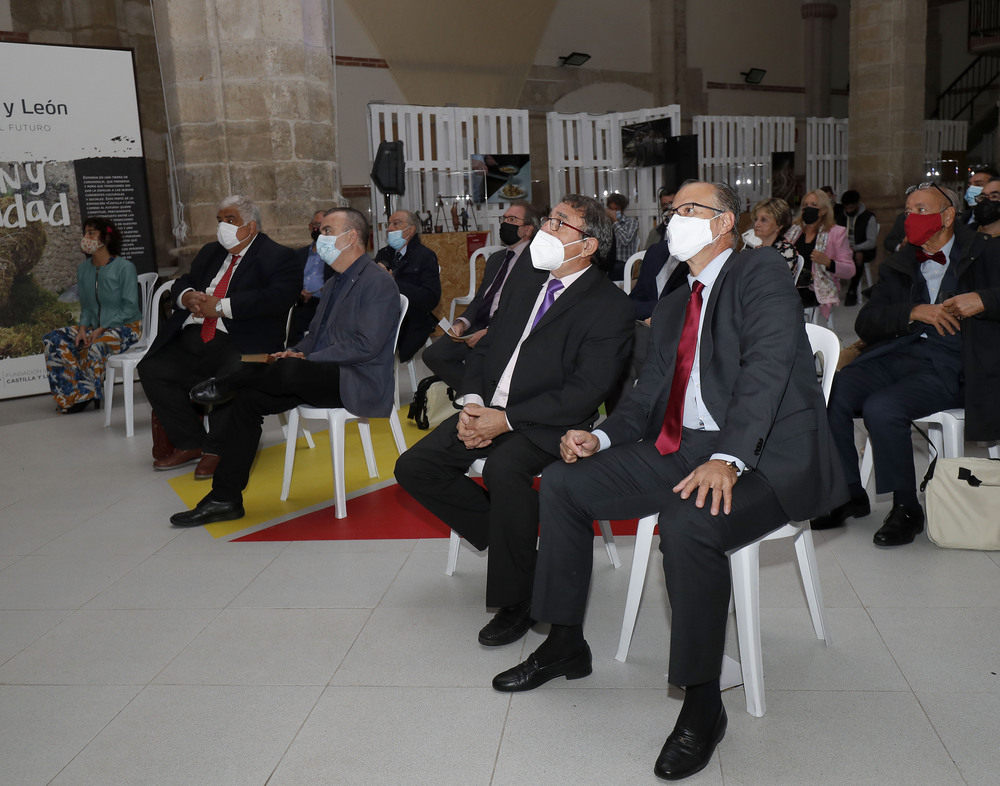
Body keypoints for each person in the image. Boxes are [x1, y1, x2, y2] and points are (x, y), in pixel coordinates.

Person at [491, 180, 845, 781]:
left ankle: (703, 703)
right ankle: (566, 642)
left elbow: (767, 367)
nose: (673, 219)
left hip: (764, 456)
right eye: (671, 210)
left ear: (724, 222)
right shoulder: (678, 299)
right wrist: (599, 437)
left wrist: (730, 456)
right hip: (683, 446)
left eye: (688, 209)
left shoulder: (758, 271)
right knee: (561, 482)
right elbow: (643, 397)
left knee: (688, 524)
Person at [394, 194, 634, 647]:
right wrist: (471, 402)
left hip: (549, 423)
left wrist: (505, 421)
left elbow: (585, 393)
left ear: (587, 247)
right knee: (414, 468)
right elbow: (489, 347)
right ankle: (522, 550)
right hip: (489, 405)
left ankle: (517, 598)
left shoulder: (609, 307)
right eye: (549, 218)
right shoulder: (528, 277)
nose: (546, 228)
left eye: (560, 224)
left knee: (505, 470)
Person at [169, 207, 401, 527]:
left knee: (288, 370)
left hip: (357, 379)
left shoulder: (377, 281)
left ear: (352, 237)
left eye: (328, 231)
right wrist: (293, 352)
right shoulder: (334, 283)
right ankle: (224, 498)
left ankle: (227, 382)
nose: (320, 237)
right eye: (320, 230)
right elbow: (313, 337)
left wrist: (304, 359)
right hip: (318, 374)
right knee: (246, 400)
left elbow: (366, 346)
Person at [812, 181, 1000, 545]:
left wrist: (984, 299)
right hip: (901, 353)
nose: (911, 217)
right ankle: (849, 492)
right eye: (908, 210)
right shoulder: (903, 260)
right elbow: (868, 321)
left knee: (883, 408)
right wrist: (913, 311)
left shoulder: (986, 252)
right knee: (836, 390)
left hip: (956, 362)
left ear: (947, 215)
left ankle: (906, 507)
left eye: (921, 210)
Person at [138, 195, 300, 479]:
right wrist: (188, 298)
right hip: (196, 333)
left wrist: (222, 307)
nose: (222, 226)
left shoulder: (278, 256)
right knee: (153, 366)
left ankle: (218, 449)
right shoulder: (210, 252)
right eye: (220, 220)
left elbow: (277, 297)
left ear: (250, 227)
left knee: (232, 374)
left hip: (244, 340)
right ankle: (191, 442)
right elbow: (185, 281)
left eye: (230, 220)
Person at [421, 201, 539, 390]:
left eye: (512, 219)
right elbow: (480, 299)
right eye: (504, 218)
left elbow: (524, 309)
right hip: (477, 325)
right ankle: (477, 395)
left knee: (479, 360)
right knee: (433, 355)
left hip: (504, 330)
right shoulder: (496, 259)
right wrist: (462, 323)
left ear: (527, 230)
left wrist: (490, 332)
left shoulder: (535, 263)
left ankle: (479, 397)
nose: (505, 223)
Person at [43, 217, 142, 413]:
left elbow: (130, 308)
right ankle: (67, 396)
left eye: (91, 233)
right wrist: (82, 330)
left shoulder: (125, 268)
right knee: (53, 338)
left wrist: (101, 328)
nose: (86, 237)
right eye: (85, 232)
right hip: (93, 327)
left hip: (125, 328)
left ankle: (86, 395)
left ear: (105, 238)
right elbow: (87, 307)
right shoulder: (83, 269)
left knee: (97, 345)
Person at [374, 210, 441, 362]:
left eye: (396, 223)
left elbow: (430, 299)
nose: (389, 228)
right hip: (381, 314)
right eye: (389, 224)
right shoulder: (383, 254)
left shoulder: (425, 256)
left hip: (410, 319)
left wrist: (393, 283)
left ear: (411, 230)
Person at [783, 189, 855, 315]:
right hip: (791, 283)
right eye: (805, 205)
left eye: (814, 205)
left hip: (815, 287)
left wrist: (828, 262)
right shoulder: (793, 232)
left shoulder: (836, 233)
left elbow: (850, 270)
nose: (808, 208)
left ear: (824, 210)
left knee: (784, 301)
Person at [287, 209, 334, 346]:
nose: (318, 229)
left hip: (323, 303)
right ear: (310, 226)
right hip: (299, 302)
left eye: (323, 226)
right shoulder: (298, 254)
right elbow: (290, 279)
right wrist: (298, 291)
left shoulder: (335, 254)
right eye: (316, 224)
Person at [837, 190, 880, 306]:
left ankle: (852, 291)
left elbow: (871, 242)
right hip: (844, 248)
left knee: (858, 256)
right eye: (846, 208)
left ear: (857, 204)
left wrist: (854, 248)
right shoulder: (841, 217)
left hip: (864, 250)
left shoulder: (869, 217)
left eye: (851, 207)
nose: (848, 211)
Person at [746, 197, 798, 276]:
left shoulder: (786, 250)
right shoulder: (751, 245)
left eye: (763, 220)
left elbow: (773, 281)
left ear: (779, 226)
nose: (756, 224)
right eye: (756, 219)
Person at [605, 193, 639, 281]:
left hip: (624, 262)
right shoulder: (606, 223)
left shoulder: (631, 222)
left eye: (616, 209)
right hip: (608, 261)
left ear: (622, 209)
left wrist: (615, 222)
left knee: (616, 268)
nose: (613, 212)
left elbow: (626, 240)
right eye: (611, 209)